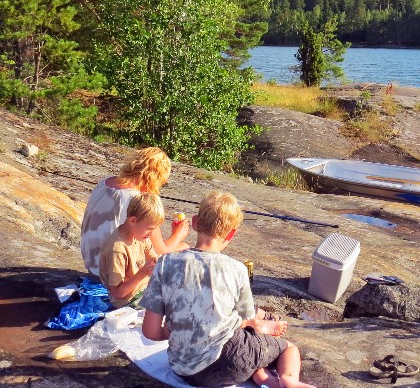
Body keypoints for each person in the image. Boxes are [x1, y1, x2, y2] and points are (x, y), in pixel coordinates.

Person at [141, 191, 316, 388]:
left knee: (250, 346)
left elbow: (150, 331)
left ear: (195, 222)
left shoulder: (165, 264)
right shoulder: (237, 269)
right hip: (232, 361)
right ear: (231, 234)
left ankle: (262, 376)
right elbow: (245, 321)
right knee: (288, 349)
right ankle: (289, 379)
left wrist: (176, 332)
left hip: (183, 370)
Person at [80, 147, 189, 278]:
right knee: (184, 249)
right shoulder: (139, 201)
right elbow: (162, 250)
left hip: (92, 265)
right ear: (156, 177)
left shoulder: (104, 183)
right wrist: (178, 234)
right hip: (113, 273)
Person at [98, 193, 163, 308]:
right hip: (127, 300)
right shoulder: (117, 249)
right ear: (133, 221)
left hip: (144, 288)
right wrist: (143, 273)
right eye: (150, 228)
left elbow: (153, 259)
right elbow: (117, 293)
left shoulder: (140, 236)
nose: (152, 234)